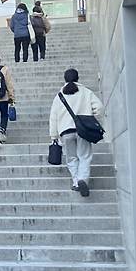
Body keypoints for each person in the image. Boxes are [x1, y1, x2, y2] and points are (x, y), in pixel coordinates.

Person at [49, 69, 104, 197]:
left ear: (65, 79)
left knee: (71, 158)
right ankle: (83, 179)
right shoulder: (86, 92)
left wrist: (54, 135)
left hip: (65, 131)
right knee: (84, 156)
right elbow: (99, 107)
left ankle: (76, 182)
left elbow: (53, 117)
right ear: (78, 78)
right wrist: (92, 118)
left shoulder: (59, 95)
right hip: (82, 130)